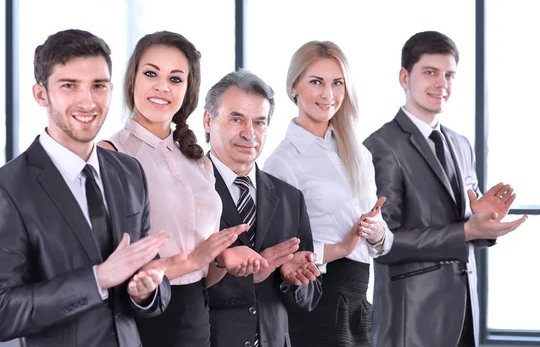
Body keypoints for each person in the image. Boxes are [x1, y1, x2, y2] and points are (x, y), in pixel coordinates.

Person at [0, 29, 176, 347]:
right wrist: (97, 280)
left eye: (99, 86)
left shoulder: (129, 172)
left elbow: (149, 273)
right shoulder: (4, 191)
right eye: (69, 86)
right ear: (41, 94)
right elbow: (0, 312)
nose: (88, 101)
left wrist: (147, 291)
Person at [363, 30, 527, 347]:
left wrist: (483, 223)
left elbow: (468, 227)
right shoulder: (381, 147)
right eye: (430, 73)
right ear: (403, 77)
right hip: (412, 322)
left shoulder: (461, 145)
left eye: (449, 75)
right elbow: (384, 244)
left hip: (465, 315)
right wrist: (465, 231)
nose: (442, 84)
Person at [99, 31, 253, 347]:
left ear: (188, 90)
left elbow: (205, 269)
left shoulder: (199, 162)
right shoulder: (111, 155)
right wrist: (192, 262)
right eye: (151, 73)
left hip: (196, 314)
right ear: (133, 80)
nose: (162, 87)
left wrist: (222, 259)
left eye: (175, 79)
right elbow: (109, 265)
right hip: (139, 317)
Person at [263, 40, 394, 347]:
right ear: (294, 87)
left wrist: (375, 233)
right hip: (317, 297)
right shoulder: (282, 162)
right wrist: (339, 247)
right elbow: (280, 251)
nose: (328, 94)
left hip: (359, 299)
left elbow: (384, 244)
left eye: (337, 83)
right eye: (316, 82)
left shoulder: (358, 153)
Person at [203, 69, 323, 347]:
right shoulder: (187, 189)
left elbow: (310, 298)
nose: (250, 134)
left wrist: (293, 278)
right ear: (209, 121)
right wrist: (252, 273)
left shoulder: (290, 198)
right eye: (237, 119)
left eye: (259, 122)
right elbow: (178, 289)